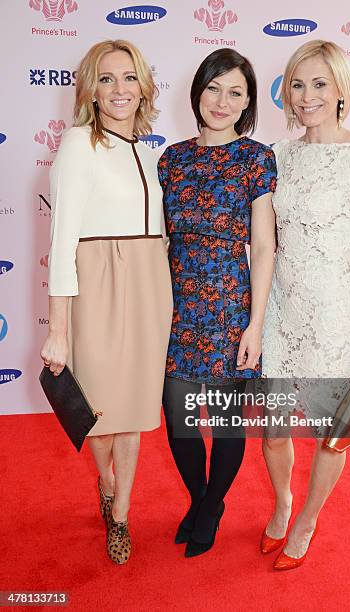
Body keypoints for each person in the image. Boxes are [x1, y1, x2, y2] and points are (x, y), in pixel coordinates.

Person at [261, 40, 350, 570]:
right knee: (271, 432)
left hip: (333, 319)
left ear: (341, 89)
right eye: (298, 84)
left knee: (330, 438)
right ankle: (282, 503)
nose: (308, 95)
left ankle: (308, 519)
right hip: (279, 314)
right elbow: (266, 241)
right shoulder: (278, 156)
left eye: (320, 84)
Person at [40, 40, 172, 565]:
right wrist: (59, 329)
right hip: (96, 284)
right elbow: (62, 241)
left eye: (129, 77)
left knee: (136, 409)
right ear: (90, 90)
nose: (120, 89)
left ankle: (120, 512)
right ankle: (105, 479)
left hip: (149, 285)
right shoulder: (77, 144)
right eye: (107, 78)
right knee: (97, 410)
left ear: (143, 86)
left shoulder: (148, 151)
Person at [158, 48, 277, 557]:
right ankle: (201, 498)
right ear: (198, 91)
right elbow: (160, 239)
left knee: (227, 423)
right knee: (180, 420)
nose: (221, 101)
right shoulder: (171, 158)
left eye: (235, 92)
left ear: (248, 102)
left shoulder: (256, 158)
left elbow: (266, 245)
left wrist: (255, 325)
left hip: (230, 304)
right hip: (176, 305)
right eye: (213, 88)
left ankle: (210, 507)